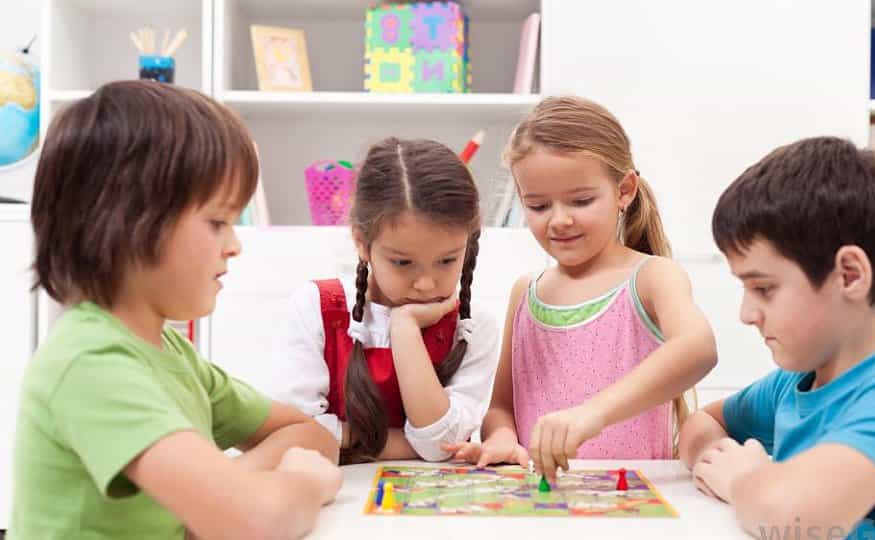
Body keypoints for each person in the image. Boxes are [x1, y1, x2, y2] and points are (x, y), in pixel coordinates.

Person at [11, 81, 342, 540]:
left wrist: (227, 490)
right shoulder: (90, 362)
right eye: (217, 222)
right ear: (127, 222)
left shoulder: (169, 352)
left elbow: (313, 436)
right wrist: (298, 483)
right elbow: (257, 520)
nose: (234, 245)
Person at [679, 136, 875, 539]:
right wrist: (717, 459)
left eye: (764, 288)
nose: (746, 314)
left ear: (849, 275)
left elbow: (792, 519)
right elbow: (701, 422)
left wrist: (742, 480)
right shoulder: (794, 383)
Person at [447, 96, 717, 482]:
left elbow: (699, 348)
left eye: (581, 200)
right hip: (540, 500)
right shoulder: (525, 292)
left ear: (624, 190)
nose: (559, 220)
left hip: (634, 500)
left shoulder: (652, 277)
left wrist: (593, 413)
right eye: (538, 206)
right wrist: (502, 437)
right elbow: (501, 407)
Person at [273, 137, 499, 464]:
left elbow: (440, 445)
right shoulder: (316, 307)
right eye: (403, 262)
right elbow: (295, 431)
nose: (425, 284)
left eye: (447, 260)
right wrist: (405, 444)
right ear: (361, 242)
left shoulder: (473, 326)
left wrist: (405, 328)